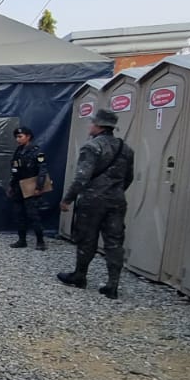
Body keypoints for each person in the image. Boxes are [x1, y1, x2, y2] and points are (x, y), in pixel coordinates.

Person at [58, 107, 135, 299]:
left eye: (92, 123)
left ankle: (80, 276)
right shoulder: (126, 149)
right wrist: (115, 191)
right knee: (114, 242)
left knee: (87, 238)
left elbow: (81, 178)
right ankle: (112, 285)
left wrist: (67, 199)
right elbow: (129, 178)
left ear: (99, 126)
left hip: (93, 201)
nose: (89, 126)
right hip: (117, 201)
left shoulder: (92, 147)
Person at [9, 125, 51, 250]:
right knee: (19, 214)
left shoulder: (36, 152)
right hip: (18, 186)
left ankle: (40, 241)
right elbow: (15, 170)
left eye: (20, 136)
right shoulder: (18, 151)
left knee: (33, 215)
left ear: (28, 137)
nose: (18, 139)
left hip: (30, 186)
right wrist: (11, 185)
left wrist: (39, 187)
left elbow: (42, 170)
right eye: (16, 137)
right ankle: (22, 240)